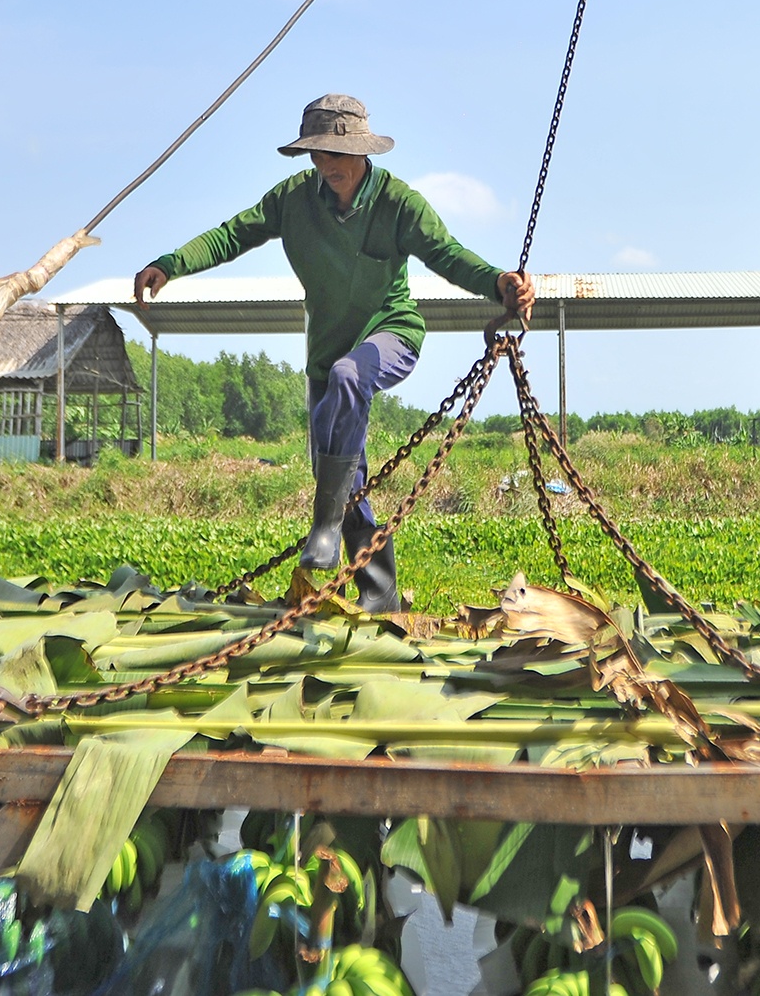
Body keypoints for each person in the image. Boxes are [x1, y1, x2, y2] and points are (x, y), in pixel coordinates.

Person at [135, 95, 533, 613]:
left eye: (337, 154)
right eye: (317, 155)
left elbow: (447, 254)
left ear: (363, 152)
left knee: (349, 378)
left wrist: (499, 283)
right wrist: (171, 265)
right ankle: (382, 592)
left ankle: (323, 527)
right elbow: (234, 234)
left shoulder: (399, 204)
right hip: (325, 353)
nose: (328, 166)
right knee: (341, 472)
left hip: (389, 336)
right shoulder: (295, 200)